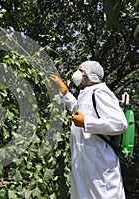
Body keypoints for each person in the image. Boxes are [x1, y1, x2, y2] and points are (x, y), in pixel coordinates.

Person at [49, 61, 127, 199]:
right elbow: (78, 109)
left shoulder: (100, 92)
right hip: (86, 161)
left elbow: (119, 123)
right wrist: (64, 91)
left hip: (99, 164)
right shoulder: (87, 92)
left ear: (91, 76)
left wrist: (86, 122)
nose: (77, 74)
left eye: (81, 71)